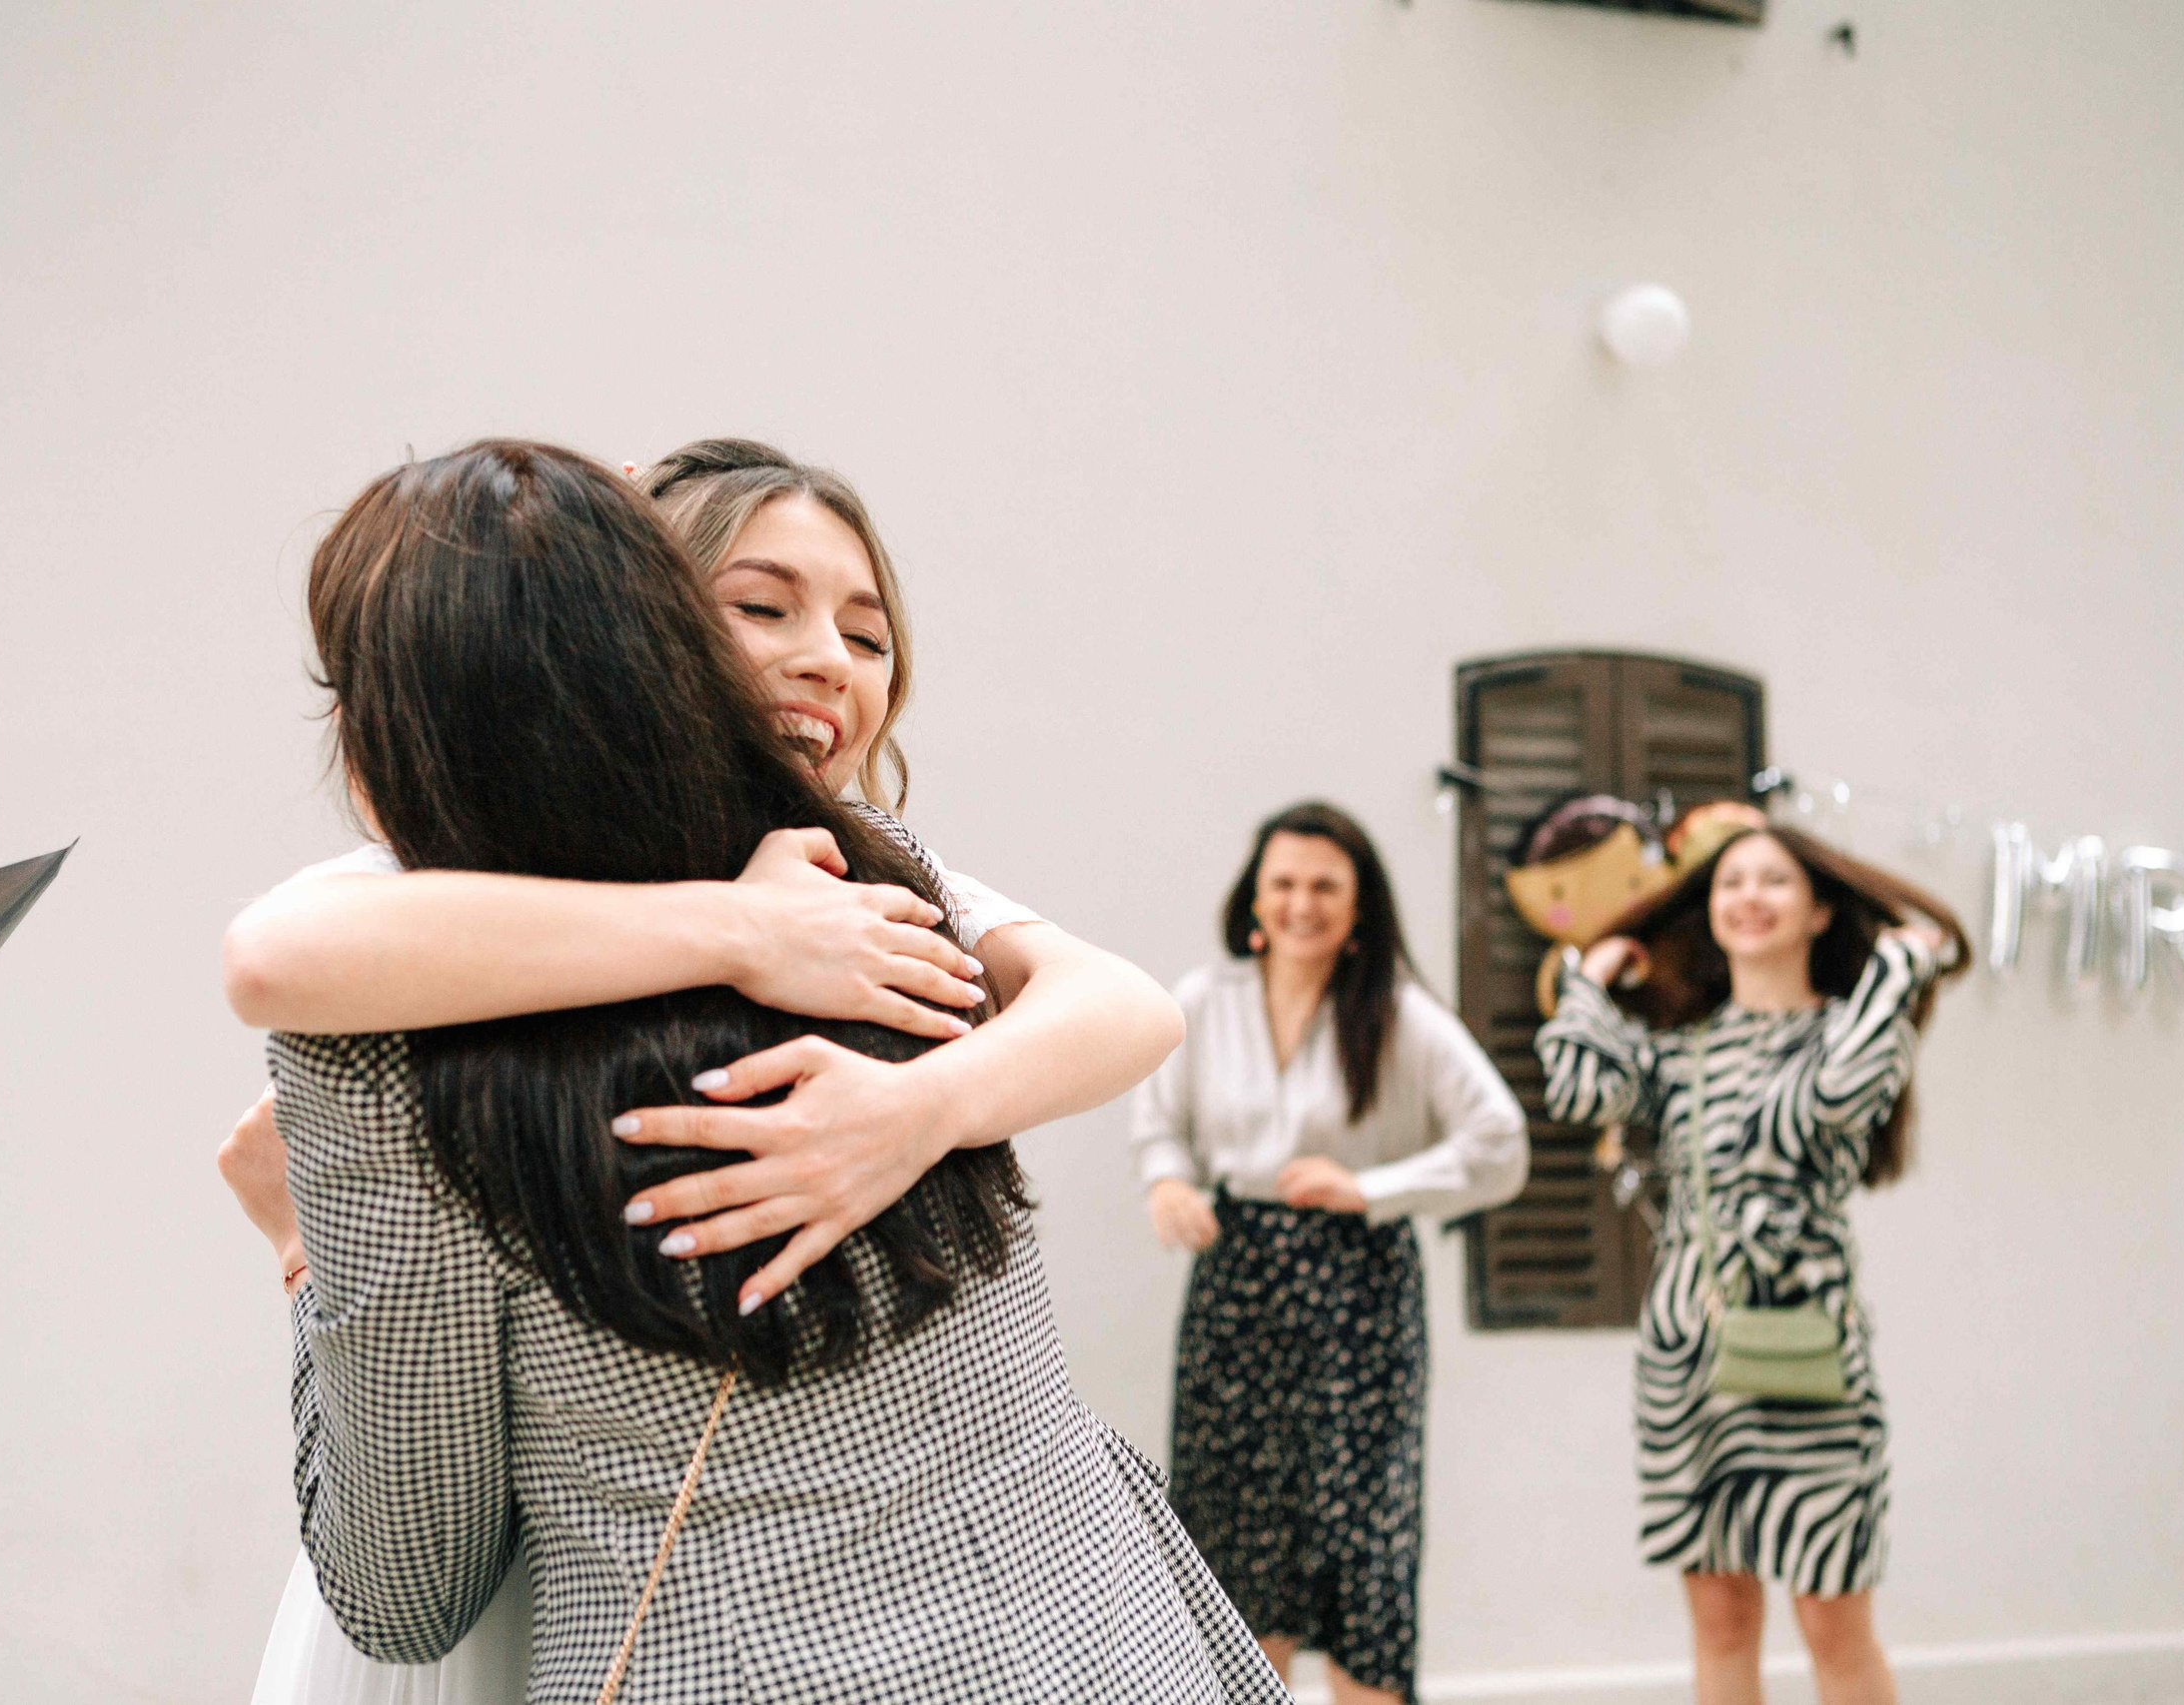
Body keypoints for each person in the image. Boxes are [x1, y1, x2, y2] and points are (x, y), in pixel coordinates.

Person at [231, 439, 1287, 1703]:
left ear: (391, 721)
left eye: (866, 632)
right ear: (664, 632)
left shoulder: (381, 1053)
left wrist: (300, 1250)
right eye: (757, 606)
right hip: (1103, 1638)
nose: (826, 659)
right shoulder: (857, 878)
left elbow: (402, 1589)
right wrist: (765, 952)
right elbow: (276, 956)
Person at [1536, 819, 1970, 1705]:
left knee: (1832, 1618)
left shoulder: (1853, 1030)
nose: (1748, 898)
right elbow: (1579, 1090)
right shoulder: (1679, 1048)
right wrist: (1588, 979)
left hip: (1813, 1357)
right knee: (1721, 1615)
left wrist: (1899, 967)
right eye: (1731, 882)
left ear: (1819, 911)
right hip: (1689, 1358)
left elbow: (1829, 1099)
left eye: (1774, 881)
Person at [1132, 801, 1529, 1705]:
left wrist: (1374, 1188)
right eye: (1284, 882)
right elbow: (1159, 1125)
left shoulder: (1398, 1013)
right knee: (1232, 1541)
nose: (1301, 903)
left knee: (1362, 1547)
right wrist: (1169, 1185)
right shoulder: (1205, 1000)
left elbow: (1501, 1141)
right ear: (1255, 896)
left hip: (1360, 1297)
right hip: (1237, 1290)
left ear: (1358, 906)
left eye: (1324, 885)